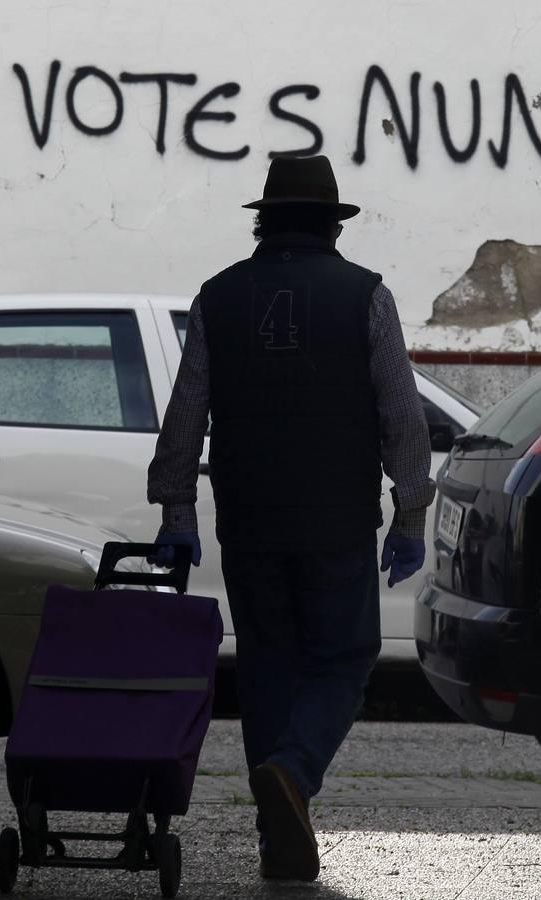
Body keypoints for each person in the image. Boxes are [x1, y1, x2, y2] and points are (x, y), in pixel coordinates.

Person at [146, 155, 434, 882]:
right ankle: (294, 772)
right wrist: (408, 512)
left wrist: (177, 510)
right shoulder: (365, 296)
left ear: (264, 219)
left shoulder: (218, 297)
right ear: (331, 226)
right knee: (343, 655)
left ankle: (280, 840)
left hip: (247, 518)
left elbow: (185, 417)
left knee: (270, 666)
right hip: (335, 517)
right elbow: (400, 415)